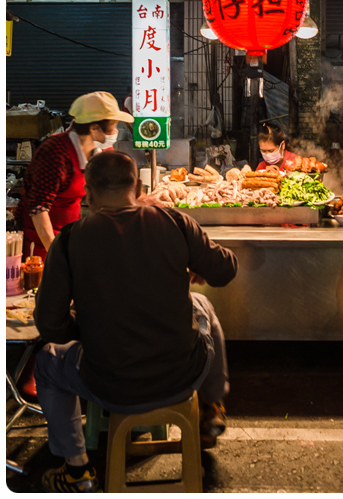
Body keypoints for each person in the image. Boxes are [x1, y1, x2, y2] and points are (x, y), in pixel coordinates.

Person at [32, 151, 238, 492]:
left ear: (90, 194)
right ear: (138, 185)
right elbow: (226, 269)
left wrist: (84, 330)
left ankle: (77, 470)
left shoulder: (69, 240)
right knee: (201, 304)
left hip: (107, 384)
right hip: (183, 376)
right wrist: (195, 265)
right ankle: (212, 405)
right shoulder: (174, 222)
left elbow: (49, 325)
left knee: (46, 361)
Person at [16, 91, 133, 261]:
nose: (115, 132)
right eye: (113, 126)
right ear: (94, 128)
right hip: (40, 240)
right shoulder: (55, 152)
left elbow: (117, 181)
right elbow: (38, 209)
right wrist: (56, 254)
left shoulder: (101, 150)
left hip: (69, 233)